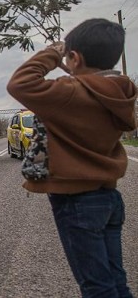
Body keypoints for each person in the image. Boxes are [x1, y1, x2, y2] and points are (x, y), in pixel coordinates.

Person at [7, 18, 136, 298]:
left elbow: (20, 84)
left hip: (77, 202)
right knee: (115, 281)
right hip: (109, 198)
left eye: (68, 57)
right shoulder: (120, 92)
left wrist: (53, 53)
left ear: (74, 58)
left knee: (96, 287)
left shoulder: (71, 93)